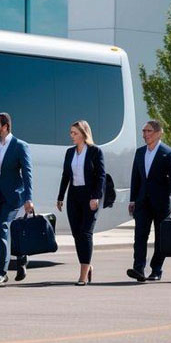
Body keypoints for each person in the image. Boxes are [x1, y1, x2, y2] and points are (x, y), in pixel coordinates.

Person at [0, 112, 33, 285]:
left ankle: (2, 272)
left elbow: (27, 173)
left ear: (5, 127)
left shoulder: (19, 146)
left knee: (3, 227)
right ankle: (22, 257)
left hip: (14, 195)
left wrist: (28, 198)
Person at [127, 120, 171, 282]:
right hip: (142, 202)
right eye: (144, 131)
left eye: (148, 131)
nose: (145, 134)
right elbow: (135, 178)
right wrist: (132, 200)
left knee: (160, 238)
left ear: (159, 133)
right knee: (140, 237)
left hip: (161, 203)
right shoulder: (139, 153)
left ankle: (156, 269)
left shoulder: (168, 154)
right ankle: (138, 269)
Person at [56, 120, 105, 285]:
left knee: (86, 233)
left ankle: (82, 275)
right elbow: (65, 176)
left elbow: (101, 176)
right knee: (77, 234)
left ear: (84, 134)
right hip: (74, 196)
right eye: (71, 133)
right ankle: (87, 266)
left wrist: (96, 197)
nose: (71, 136)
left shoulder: (95, 151)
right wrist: (60, 197)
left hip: (90, 196)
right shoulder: (70, 152)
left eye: (74, 133)